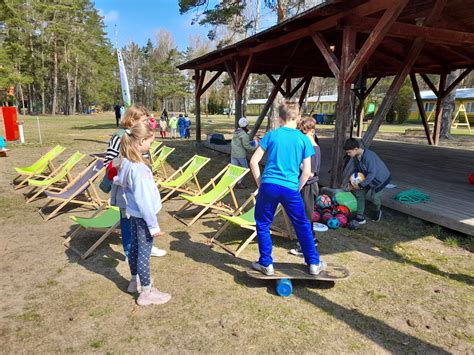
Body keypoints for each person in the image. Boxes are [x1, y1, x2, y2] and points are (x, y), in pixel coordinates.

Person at [249, 101, 326, 276]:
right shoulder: (304, 139)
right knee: (302, 224)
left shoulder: (271, 135)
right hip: (290, 188)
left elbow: (253, 161)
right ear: (298, 118)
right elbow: (307, 173)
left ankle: (266, 264)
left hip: (268, 185)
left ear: (279, 117)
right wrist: (296, 189)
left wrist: (261, 184)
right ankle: (314, 263)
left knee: (262, 224)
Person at [113, 123, 171, 306]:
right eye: (149, 142)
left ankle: (134, 281)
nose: (150, 146)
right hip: (144, 216)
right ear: (140, 142)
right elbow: (144, 200)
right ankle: (146, 291)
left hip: (134, 214)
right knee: (144, 254)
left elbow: (120, 179)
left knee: (135, 249)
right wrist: (153, 225)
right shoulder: (139, 168)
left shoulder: (127, 161)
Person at [105, 104, 167, 259]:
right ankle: (130, 253)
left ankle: (147, 246)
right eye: (144, 120)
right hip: (126, 190)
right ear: (132, 119)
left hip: (140, 186)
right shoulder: (119, 137)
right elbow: (109, 163)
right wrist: (128, 174)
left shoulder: (139, 135)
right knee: (128, 223)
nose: (147, 123)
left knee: (143, 220)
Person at [344, 138, 391, 224]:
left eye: (349, 152)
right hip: (367, 177)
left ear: (355, 149)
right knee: (359, 193)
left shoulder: (368, 156)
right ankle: (359, 215)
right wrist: (351, 183)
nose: (348, 154)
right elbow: (356, 170)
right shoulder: (355, 157)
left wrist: (361, 185)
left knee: (374, 198)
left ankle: (377, 210)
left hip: (380, 179)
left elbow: (372, 173)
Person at [230, 117, 257, 189]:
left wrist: (251, 141)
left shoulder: (236, 132)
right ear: (246, 126)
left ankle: (231, 181)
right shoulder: (244, 135)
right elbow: (247, 146)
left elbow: (240, 142)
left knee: (233, 168)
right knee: (245, 168)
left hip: (233, 153)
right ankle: (238, 183)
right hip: (240, 155)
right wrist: (255, 147)